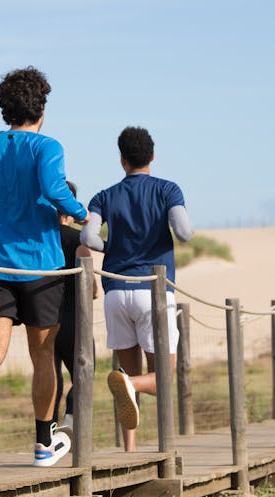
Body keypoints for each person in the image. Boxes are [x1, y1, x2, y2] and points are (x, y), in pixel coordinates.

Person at [0, 66, 89, 467]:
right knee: (43, 356)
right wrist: (82, 214)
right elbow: (56, 190)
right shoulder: (48, 147)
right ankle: (42, 445)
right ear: (42, 108)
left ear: (6, 108)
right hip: (41, 269)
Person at [81, 126, 194, 451]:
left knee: (127, 373)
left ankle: (130, 450)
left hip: (116, 291)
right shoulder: (168, 190)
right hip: (153, 291)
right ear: (153, 156)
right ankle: (133, 389)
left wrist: (114, 247)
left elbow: (88, 238)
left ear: (122, 159)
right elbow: (184, 232)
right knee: (162, 378)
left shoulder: (103, 196)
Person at [52, 181, 98, 437]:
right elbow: (90, 287)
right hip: (72, 319)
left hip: (44, 317)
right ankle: (70, 419)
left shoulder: (39, 242)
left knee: (50, 376)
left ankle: (46, 431)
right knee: (84, 371)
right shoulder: (78, 241)